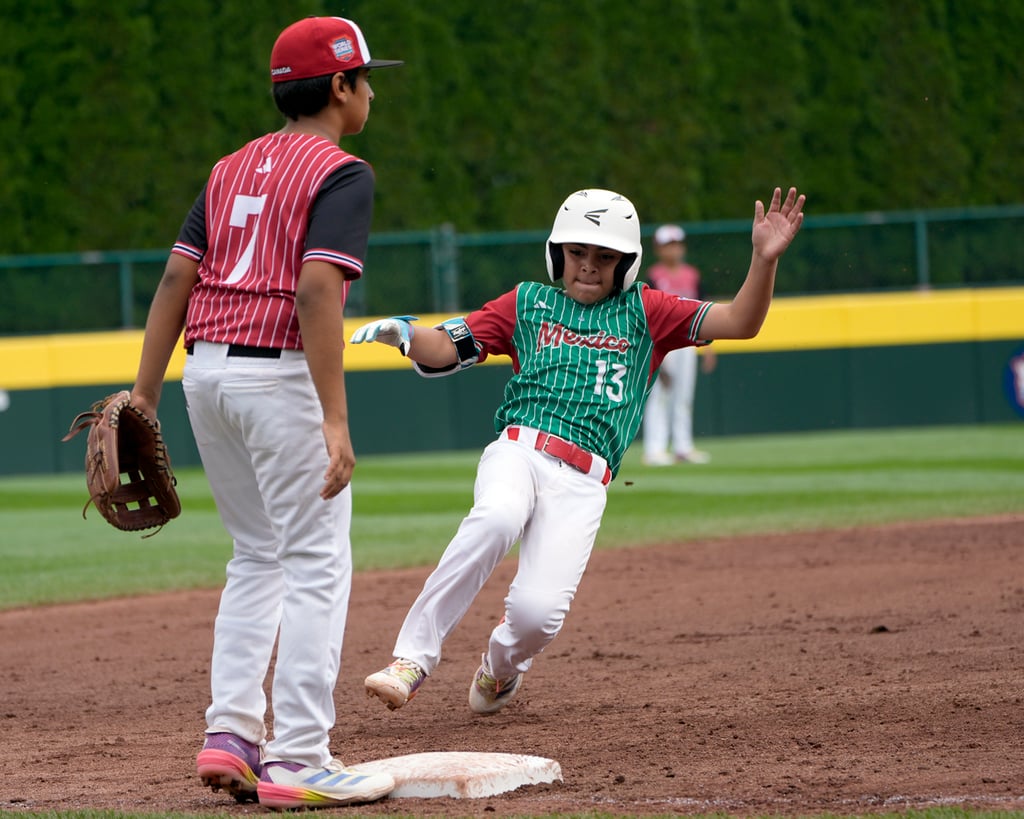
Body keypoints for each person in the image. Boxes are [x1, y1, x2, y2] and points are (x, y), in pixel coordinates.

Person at [352, 186, 805, 715]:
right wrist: (404, 331)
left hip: (584, 481)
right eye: (577, 252)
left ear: (627, 263)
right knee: (496, 518)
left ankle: (500, 669)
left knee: (537, 615)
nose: (589, 266)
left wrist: (763, 259)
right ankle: (411, 659)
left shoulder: (648, 310)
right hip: (518, 450)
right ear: (556, 253)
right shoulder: (527, 302)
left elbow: (740, 323)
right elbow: (448, 345)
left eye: (604, 256)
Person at [127, 16, 402, 809]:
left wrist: (143, 393)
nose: (372, 90)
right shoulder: (342, 171)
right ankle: (300, 756)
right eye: (365, 78)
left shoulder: (229, 166)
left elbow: (176, 282)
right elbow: (318, 288)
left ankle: (231, 735)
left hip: (205, 375)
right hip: (276, 376)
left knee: (255, 556)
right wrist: (336, 417)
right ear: (340, 88)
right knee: (316, 562)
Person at [641, 224, 717, 465]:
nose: (672, 249)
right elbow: (646, 314)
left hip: (688, 340)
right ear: (658, 249)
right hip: (662, 339)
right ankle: (655, 448)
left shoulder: (692, 275)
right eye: (667, 245)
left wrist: (709, 349)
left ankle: (683, 446)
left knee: (684, 393)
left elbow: (704, 309)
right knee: (659, 393)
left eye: (676, 244)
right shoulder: (653, 276)